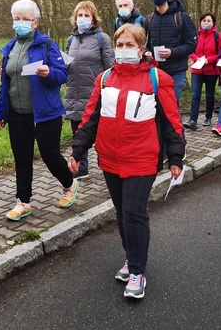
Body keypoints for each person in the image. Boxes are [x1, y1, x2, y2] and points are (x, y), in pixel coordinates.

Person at [69, 24, 185, 299]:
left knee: (134, 213)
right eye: (119, 45)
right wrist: (78, 150)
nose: (123, 50)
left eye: (129, 45)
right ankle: (131, 257)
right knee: (121, 213)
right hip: (110, 157)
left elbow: (172, 121)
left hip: (142, 158)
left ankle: (137, 271)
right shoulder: (104, 78)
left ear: (141, 48)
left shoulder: (158, 79)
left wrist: (176, 155)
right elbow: (90, 117)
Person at [0, 0, 79, 221]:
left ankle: (69, 184)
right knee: (22, 157)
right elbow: (5, 83)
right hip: (17, 113)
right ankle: (23, 201)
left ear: (35, 22)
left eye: (25, 19)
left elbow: (62, 75)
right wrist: (0, 111)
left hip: (45, 113)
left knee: (49, 155)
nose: (20, 23)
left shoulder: (47, 45)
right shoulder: (10, 48)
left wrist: (48, 73)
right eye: (16, 19)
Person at [64, 1, 114, 179]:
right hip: (74, 93)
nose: (83, 19)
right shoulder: (71, 40)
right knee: (77, 130)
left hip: (95, 94)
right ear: (75, 19)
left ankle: (109, 164)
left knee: (102, 133)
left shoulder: (103, 39)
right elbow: (66, 66)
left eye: (87, 15)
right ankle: (81, 167)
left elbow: (111, 69)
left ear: (93, 19)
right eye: (80, 15)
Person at [143, 0, 197, 105]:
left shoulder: (182, 17)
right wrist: (147, 52)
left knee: (171, 106)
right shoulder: (149, 19)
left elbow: (191, 45)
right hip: (155, 71)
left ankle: (175, 125)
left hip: (176, 71)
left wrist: (172, 52)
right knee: (154, 107)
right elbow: (145, 44)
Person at [184, 12, 221, 129]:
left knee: (209, 95)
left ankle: (208, 117)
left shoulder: (218, 36)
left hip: (211, 70)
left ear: (213, 23)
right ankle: (193, 120)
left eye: (208, 21)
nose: (206, 23)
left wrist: (208, 60)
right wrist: (196, 59)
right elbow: (190, 49)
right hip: (197, 70)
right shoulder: (195, 35)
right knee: (195, 94)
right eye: (204, 21)